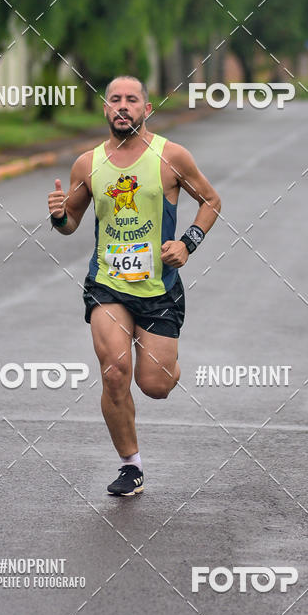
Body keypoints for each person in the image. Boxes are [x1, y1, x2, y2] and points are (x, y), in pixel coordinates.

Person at [47, 75, 221, 496]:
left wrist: (187, 243)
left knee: (155, 385)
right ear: (105, 109)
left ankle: (166, 362)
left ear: (146, 109)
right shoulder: (87, 165)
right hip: (107, 283)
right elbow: (70, 225)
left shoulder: (171, 157)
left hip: (160, 288)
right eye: (115, 100)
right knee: (114, 371)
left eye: (132, 100)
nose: (123, 106)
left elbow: (211, 201)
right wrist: (58, 215)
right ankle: (131, 466)